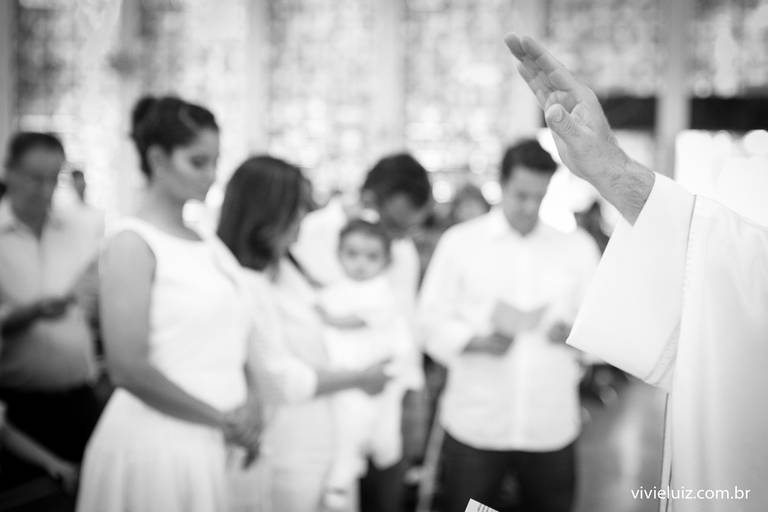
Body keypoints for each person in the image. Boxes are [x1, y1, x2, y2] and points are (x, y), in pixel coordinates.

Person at [505, 34, 768, 511]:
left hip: (551, 419)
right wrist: (610, 169)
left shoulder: (575, 247)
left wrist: (614, 171)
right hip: (479, 415)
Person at [76, 96, 260, 512]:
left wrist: (251, 400)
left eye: (215, 161)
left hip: (216, 434)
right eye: (198, 162)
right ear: (157, 158)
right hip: (160, 443)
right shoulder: (131, 243)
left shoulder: (206, 239)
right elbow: (127, 368)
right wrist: (221, 420)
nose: (211, 176)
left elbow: (234, 332)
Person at [419, 139, 600, 512]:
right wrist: (474, 341)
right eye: (521, 195)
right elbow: (428, 321)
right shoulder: (460, 244)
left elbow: (603, 330)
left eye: (539, 196)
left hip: (549, 425)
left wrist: (573, 335)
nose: (530, 207)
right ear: (501, 185)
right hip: (477, 425)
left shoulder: (576, 248)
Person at [217, 155, 392, 512]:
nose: (303, 217)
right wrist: (360, 378)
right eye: (296, 208)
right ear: (267, 211)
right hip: (287, 442)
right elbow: (279, 379)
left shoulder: (286, 266)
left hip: (324, 432)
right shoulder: (245, 284)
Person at [0, 132, 103, 498]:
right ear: (9, 171)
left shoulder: (80, 229)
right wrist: (24, 314)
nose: (43, 189)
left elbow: (93, 293)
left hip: (78, 394)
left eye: (52, 178)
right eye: (34, 177)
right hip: (19, 403)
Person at [316, 219, 421, 511]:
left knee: (384, 426)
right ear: (339, 254)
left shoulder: (382, 293)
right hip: (346, 376)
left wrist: (328, 318)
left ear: (386, 261)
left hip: (381, 372)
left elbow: (359, 319)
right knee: (347, 428)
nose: (361, 263)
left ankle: (382, 454)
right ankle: (342, 478)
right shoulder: (334, 291)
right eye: (352, 254)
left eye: (371, 256)